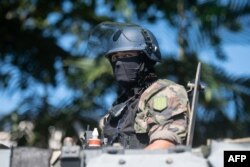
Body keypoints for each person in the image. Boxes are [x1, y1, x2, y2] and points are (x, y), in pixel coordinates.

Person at [89, 22, 189, 150]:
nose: (119, 62)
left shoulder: (164, 93)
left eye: (127, 56)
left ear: (146, 59)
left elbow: (163, 145)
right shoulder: (121, 104)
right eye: (115, 58)